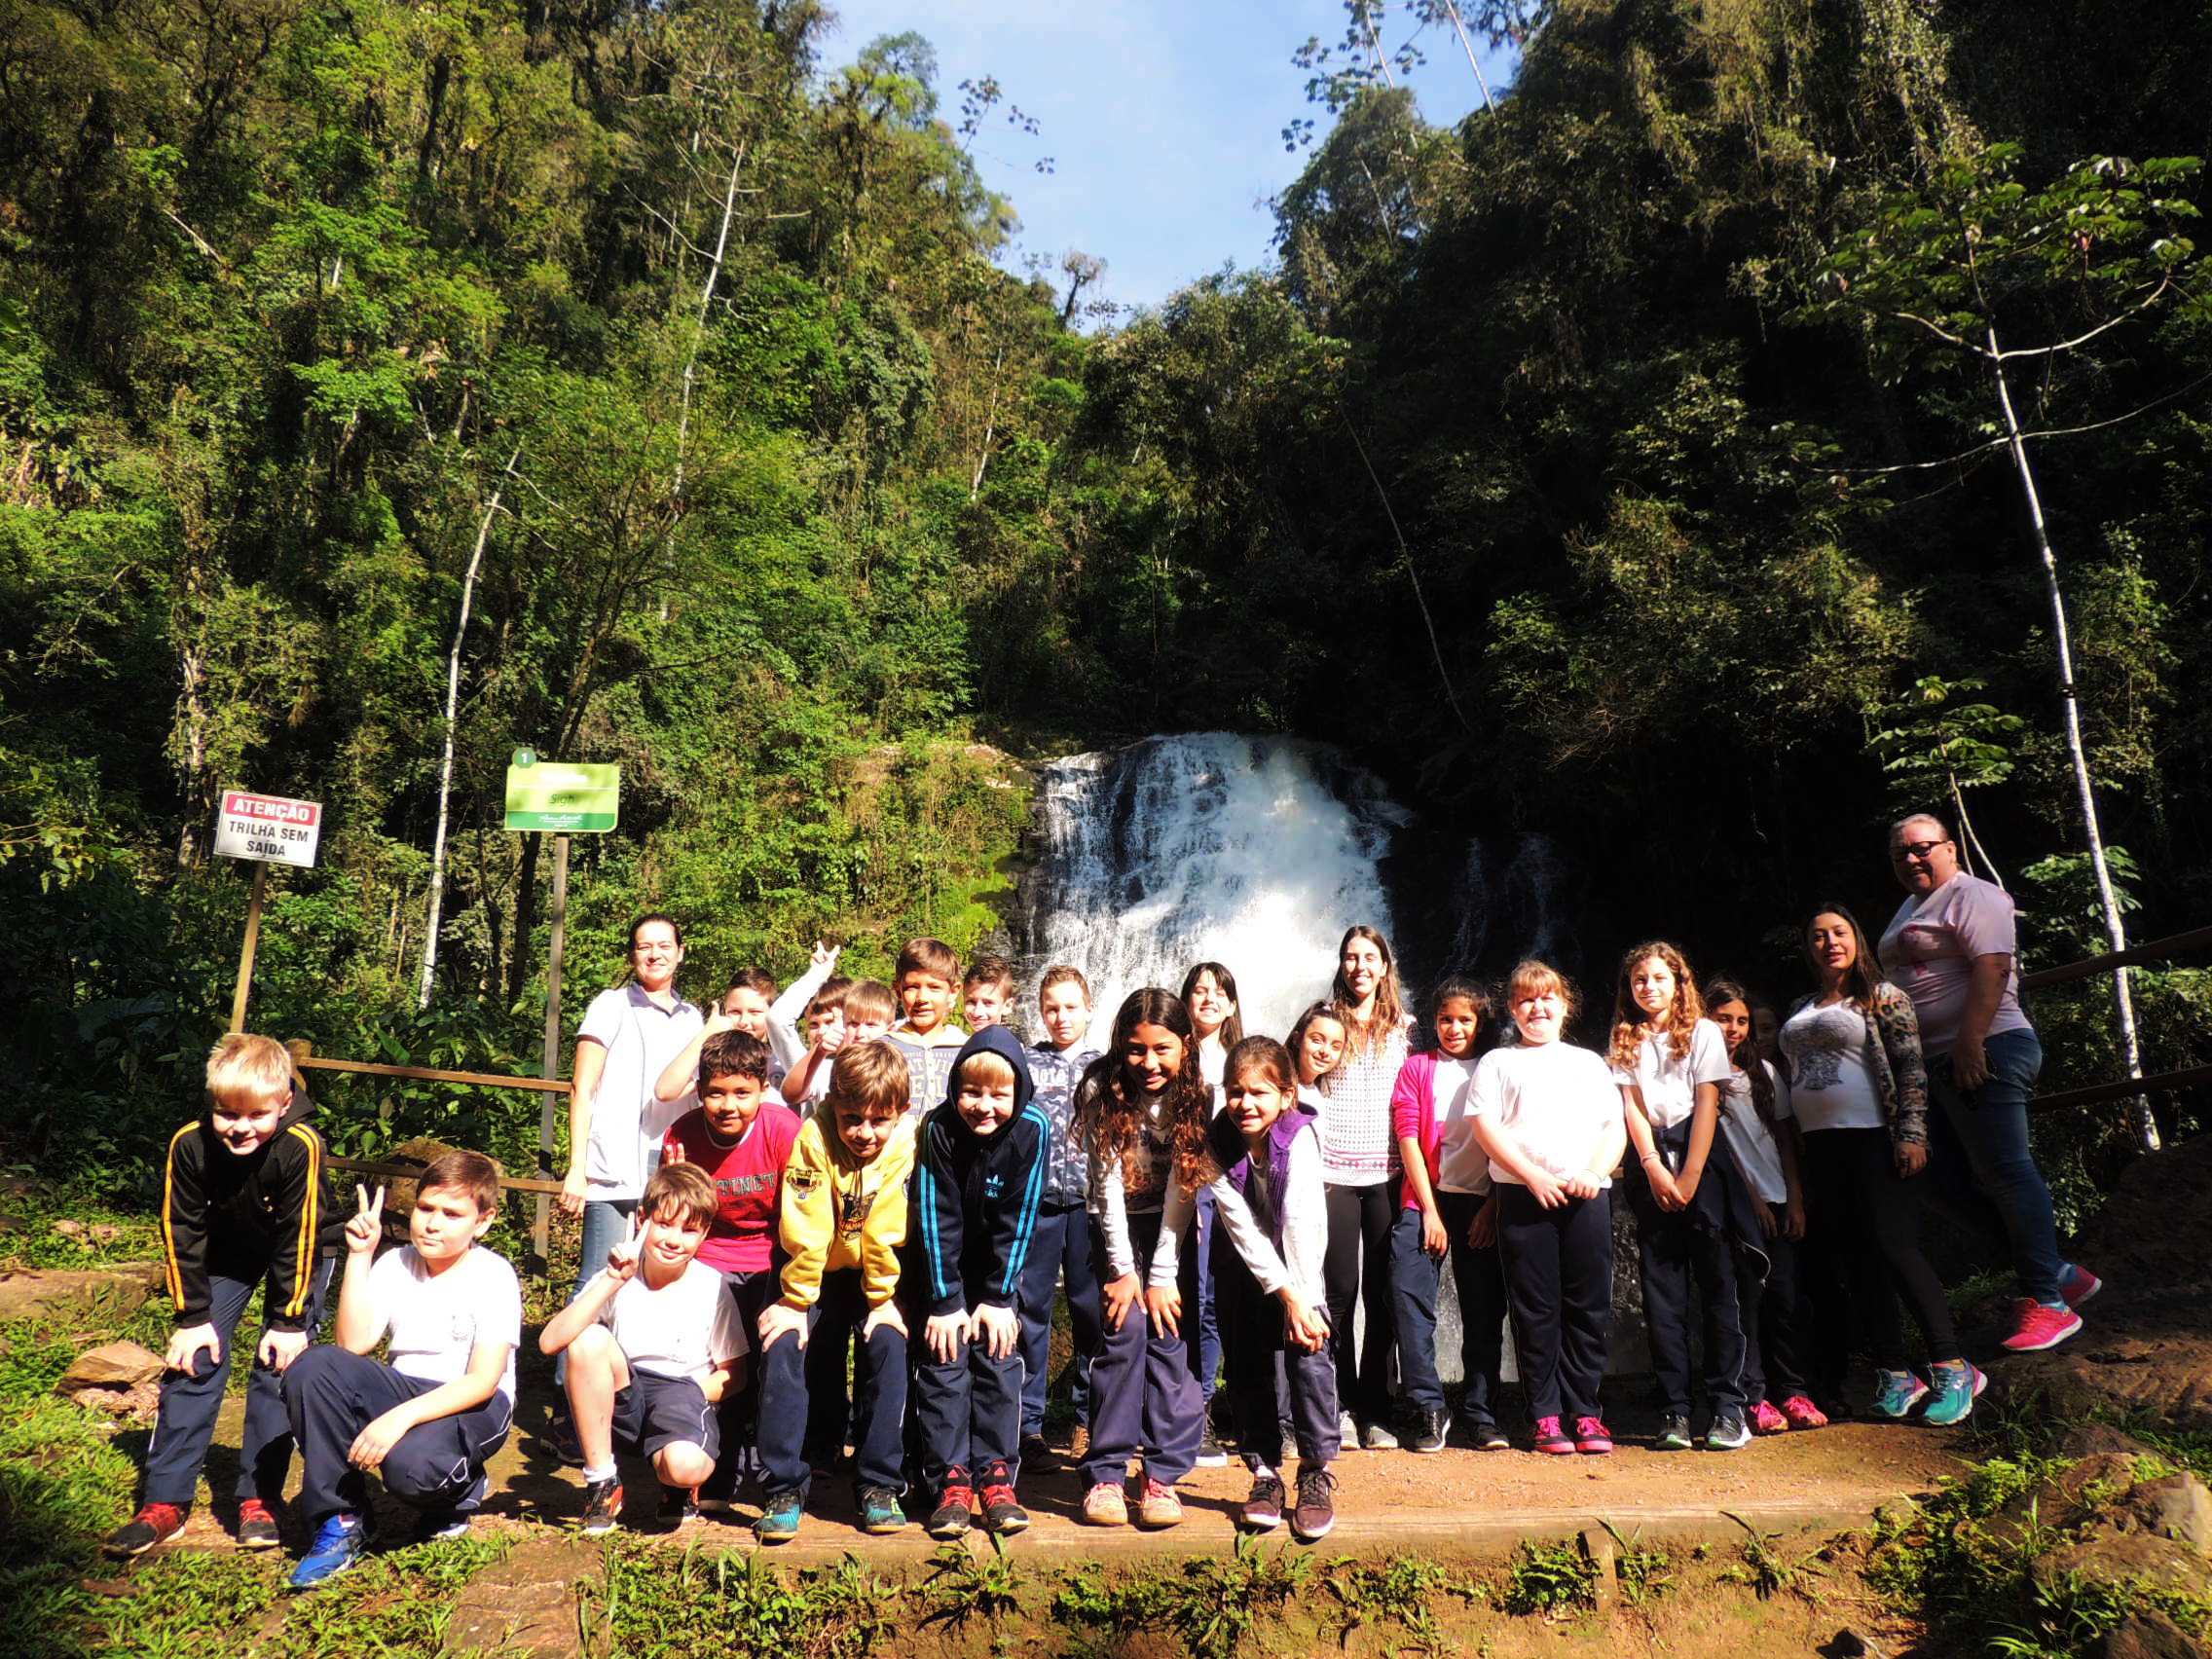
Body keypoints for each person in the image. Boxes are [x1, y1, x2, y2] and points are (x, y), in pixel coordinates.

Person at [106, 1034, 342, 1558]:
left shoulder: (299, 1145)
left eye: (257, 1114)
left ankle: (258, 1498)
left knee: (278, 1366)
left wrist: (289, 1321)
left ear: (283, 1104)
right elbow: (181, 1228)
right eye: (227, 1114)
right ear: (212, 1105)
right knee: (196, 1359)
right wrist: (193, 1316)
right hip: (226, 1249)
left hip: (299, 1252)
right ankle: (165, 1502)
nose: (240, 1127)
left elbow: (299, 1238)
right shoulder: (188, 1144)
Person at [1879, 812, 2099, 1352]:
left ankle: (2048, 1300)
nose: (1911, 859)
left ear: (1949, 848)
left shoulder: (1972, 894)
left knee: (2006, 1169)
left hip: (1988, 1046)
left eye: (1922, 847)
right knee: (1941, 1180)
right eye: (1900, 853)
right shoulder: (1912, 907)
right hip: (1929, 1064)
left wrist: (1971, 1041)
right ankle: (2059, 1271)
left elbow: (1994, 966)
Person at [282, 1152, 521, 1589]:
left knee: (412, 1470)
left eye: (452, 1214)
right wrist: (360, 1256)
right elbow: (353, 1345)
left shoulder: (494, 1275)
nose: (433, 1223)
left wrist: (398, 1419)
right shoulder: (395, 1263)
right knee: (314, 1366)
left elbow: (483, 1380)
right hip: (404, 1388)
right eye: (426, 1208)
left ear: (482, 1222)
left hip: (474, 1401)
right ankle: (343, 1517)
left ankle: (458, 1493)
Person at [1787, 904, 1984, 1425]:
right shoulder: (1801, 1005)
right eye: (1818, 935)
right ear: (1808, 947)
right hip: (1820, 1148)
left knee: (1896, 1248)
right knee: (1857, 1261)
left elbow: (1911, 1068)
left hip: (1874, 1137)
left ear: (1857, 939)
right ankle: (1895, 1372)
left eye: (1839, 932)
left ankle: (1952, 1364)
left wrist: (1912, 1134)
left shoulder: (1882, 997)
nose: (1829, 942)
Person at [1156, 1038, 1341, 1542]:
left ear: (1286, 1094)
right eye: (1235, 1092)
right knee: (1247, 1363)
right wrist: (1282, 1293)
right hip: (1242, 1264)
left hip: (1300, 1265)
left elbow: (1304, 1222)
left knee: (1308, 1355)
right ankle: (1264, 1473)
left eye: (1259, 1093)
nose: (1245, 1104)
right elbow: (1239, 1227)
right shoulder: (1216, 1142)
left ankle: (1315, 1470)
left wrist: (1302, 1298)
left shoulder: (1299, 1137)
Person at [753, 1042, 917, 1543]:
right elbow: (807, 1225)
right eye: (852, 1119)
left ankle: (879, 1482)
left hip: (876, 1266)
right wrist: (797, 1303)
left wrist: (883, 1298)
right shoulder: (814, 1138)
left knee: (887, 1348)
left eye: (878, 1121)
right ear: (833, 1106)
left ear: (900, 1113)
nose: (864, 1133)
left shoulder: (905, 1141)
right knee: (787, 1347)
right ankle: (785, 1483)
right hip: (812, 1266)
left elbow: (886, 1225)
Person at [1469, 960, 1626, 1457]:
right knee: (1535, 1309)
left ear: (1565, 1005)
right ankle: (1545, 1414)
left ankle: (1586, 1413)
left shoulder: (1589, 1063)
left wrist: (1592, 1173)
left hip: (1586, 1194)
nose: (1537, 1007)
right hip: (1523, 1194)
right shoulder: (1498, 1061)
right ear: (1513, 1009)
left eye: (1547, 997)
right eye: (1526, 1000)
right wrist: (1531, 1175)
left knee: (1587, 1306)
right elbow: (1485, 1127)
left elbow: (1614, 1128)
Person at [538, 1163, 745, 1533]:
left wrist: (691, 1394)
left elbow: (735, 1372)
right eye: (663, 1224)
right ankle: (602, 1484)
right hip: (625, 1387)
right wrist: (612, 1281)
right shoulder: (618, 1276)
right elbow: (550, 1342)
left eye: (689, 1230)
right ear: (641, 1219)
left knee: (685, 1465)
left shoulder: (712, 1287)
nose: (673, 1239)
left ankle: (676, 1489)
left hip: (682, 1391)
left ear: (704, 1235)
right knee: (588, 1339)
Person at [557, 914, 703, 1426]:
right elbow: (583, 1087)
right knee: (600, 1277)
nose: (655, 954)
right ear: (632, 955)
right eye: (644, 946)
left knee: (653, 1280)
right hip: (612, 1165)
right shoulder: (609, 1005)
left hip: (669, 1167)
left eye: (665, 946)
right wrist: (576, 1167)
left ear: (681, 953)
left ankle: (626, 1398)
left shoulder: (694, 1017)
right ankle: (568, 1406)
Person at [1611, 941, 1754, 1453]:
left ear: (1678, 982)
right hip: (1651, 1167)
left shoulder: (1705, 1032)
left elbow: (1708, 1100)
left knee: (1719, 1288)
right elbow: (1630, 1106)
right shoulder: (1625, 1037)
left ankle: (1728, 1409)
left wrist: (1690, 1174)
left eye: (1657, 978)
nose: (1647, 987)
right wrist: (1651, 1167)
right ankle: (1674, 1408)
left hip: (1702, 1162)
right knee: (1661, 1293)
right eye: (1638, 980)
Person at [1076, 989, 1211, 1529]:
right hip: (1112, 1224)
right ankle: (1107, 1473)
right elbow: (1105, 1187)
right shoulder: (1099, 1089)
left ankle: (1161, 1475)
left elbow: (1183, 1187)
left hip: (1171, 1224)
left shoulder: (1198, 1094)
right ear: (1119, 1047)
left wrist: (1160, 1275)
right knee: (1122, 1332)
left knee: (1168, 1335)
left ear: (1185, 1046)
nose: (1149, 1064)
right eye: (1136, 1050)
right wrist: (1123, 1271)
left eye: (1162, 1050)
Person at [911, 1027, 1050, 1538]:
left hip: (1000, 1267)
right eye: (972, 1093)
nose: (984, 1107)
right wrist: (946, 1300)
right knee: (944, 1354)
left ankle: (996, 1475)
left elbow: (1023, 1216)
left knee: (997, 1350)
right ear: (954, 1089)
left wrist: (997, 1298)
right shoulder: (938, 1127)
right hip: (942, 1265)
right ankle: (950, 1479)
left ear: (1020, 1093)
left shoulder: (1032, 1128)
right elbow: (933, 1214)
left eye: (998, 1095)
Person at [658, 1029, 801, 1508]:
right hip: (708, 1257)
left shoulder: (783, 1130)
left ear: (763, 1089)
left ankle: (769, 1465)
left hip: (772, 1257)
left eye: (742, 1093)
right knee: (718, 1362)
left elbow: (800, 1215)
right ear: (699, 1092)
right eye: (716, 1093)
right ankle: (711, 1467)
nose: (728, 1105)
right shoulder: (682, 1134)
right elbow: (673, 1213)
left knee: (769, 1363)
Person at [1389, 979, 1509, 1455]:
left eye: (1464, 1019)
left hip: (1483, 1202)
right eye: (1445, 1019)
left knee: (1483, 1311)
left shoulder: (1495, 1067)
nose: (1454, 1027)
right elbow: (1408, 1141)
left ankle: (1481, 1413)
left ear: (1480, 1022)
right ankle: (1429, 1406)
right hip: (1425, 1201)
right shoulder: (1417, 1068)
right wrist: (1431, 1213)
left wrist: (1492, 1206)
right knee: (1409, 1300)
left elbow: (1510, 1140)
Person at [1706, 978, 1823, 1435]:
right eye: (1723, 1020)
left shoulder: (1764, 1075)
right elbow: (1719, 1147)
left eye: (1741, 1022)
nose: (1733, 1029)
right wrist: (1751, 1198)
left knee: (1787, 1298)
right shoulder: (1702, 1080)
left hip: (1779, 1197)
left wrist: (1794, 1197)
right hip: (1741, 1204)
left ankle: (1792, 1389)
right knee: (1746, 1302)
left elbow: (1784, 1142)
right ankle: (1753, 1395)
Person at [1318, 926, 1415, 1451]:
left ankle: (1377, 1407)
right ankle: (1337, 1401)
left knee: (1382, 1294)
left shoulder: (1407, 1027)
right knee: (1338, 1294)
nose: (1359, 966)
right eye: (1351, 957)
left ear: (1384, 966)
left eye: (1369, 957)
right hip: (1333, 1174)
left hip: (1388, 1175)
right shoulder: (1323, 1023)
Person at [1019, 966, 1105, 1465]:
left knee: (1090, 1311)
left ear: (1089, 1009)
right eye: (1052, 1007)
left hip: (1091, 1207)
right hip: (1040, 1204)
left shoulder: (1107, 1066)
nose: (1061, 1016)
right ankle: (1028, 1425)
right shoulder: (1027, 1063)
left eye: (1071, 1006)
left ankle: (1087, 1420)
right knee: (1030, 1313)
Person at [1177, 960, 1244, 1466]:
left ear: (1232, 1003)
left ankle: (1212, 1405)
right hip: (1187, 1189)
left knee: (1221, 1301)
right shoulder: (1173, 1056)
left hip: (1237, 1189)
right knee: (1192, 1297)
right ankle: (1188, 1414)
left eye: (1218, 991)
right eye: (1199, 990)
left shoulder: (1242, 1060)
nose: (1208, 999)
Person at [654, 942, 838, 1109]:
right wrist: (706, 1034)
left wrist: (817, 974)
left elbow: (780, 1019)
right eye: (735, 1012)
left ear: (770, 1012)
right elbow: (665, 1092)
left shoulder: (787, 1060)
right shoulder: (717, 1061)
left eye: (755, 1012)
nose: (743, 1022)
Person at [783, 977, 894, 1108]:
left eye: (871, 1025)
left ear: (890, 1030)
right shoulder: (827, 1069)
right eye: (853, 1024)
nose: (860, 1033)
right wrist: (820, 1051)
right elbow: (790, 1094)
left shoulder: (896, 1067)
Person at [888, 938, 969, 1118]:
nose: (922, 998)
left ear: (954, 991)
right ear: (898, 990)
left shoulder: (968, 1050)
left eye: (934, 987)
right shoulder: (883, 1049)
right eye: (911, 987)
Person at [1288, 1002, 1348, 1109]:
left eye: (1335, 1047)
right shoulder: (1279, 1089)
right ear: (1297, 1039)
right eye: (1317, 1040)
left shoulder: (1318, 1096)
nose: (1325, 1051)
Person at [963, 954, 1018, 1031]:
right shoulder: (957, 1040)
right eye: (971, 1002)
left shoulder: (1010, 1043)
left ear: (1007, 1005)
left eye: (988, 1003)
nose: (977, 1012)